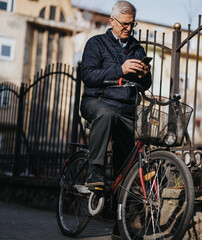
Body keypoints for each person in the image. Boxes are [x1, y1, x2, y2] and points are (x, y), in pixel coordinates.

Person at [80, 1, 152, 188]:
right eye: (124, 24)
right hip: (97, 101)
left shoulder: (137, 48)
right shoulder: (96, 43)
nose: (128, 28)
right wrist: (120, 69)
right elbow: (87, 76)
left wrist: (144, 76)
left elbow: (145, 85)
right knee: (106, 114)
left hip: (126, 108)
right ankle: (94, 170)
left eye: (132, 24)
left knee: (125, 162)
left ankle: (118, 205)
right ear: (112, 21)